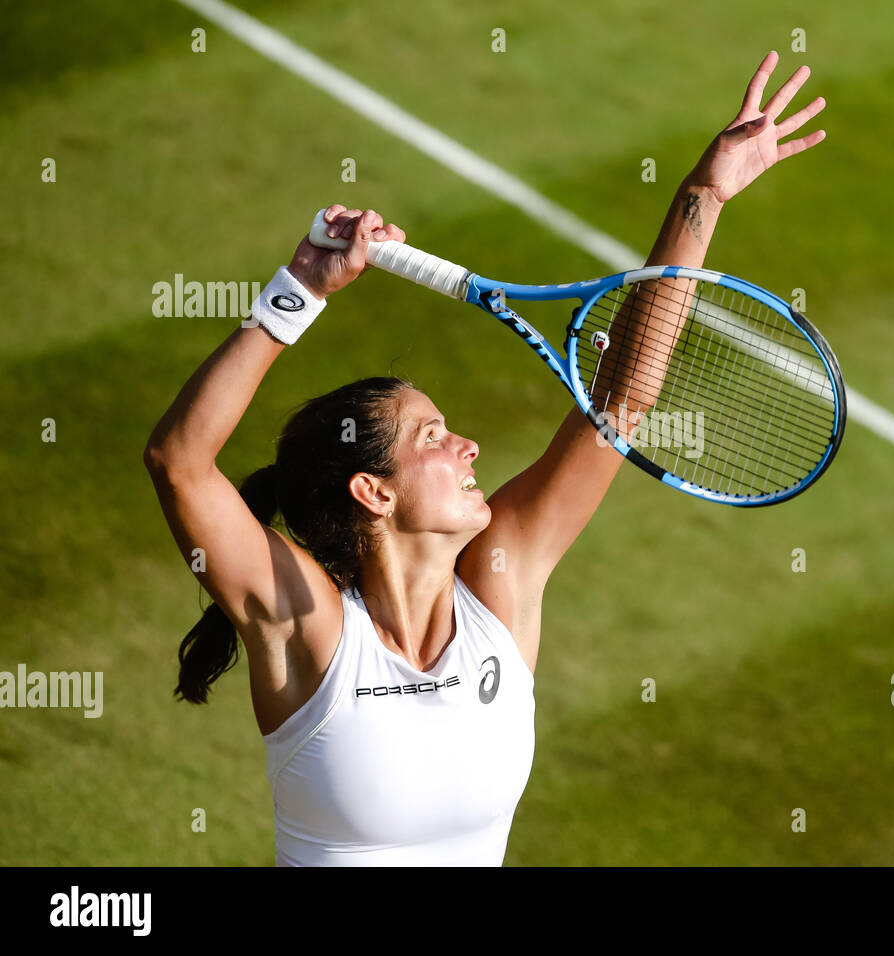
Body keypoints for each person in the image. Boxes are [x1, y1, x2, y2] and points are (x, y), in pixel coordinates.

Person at [143, 51, 825, 866]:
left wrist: (703, 195)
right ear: (373, 490)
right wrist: (300, 290)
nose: (468, 445)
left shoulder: (501, 586)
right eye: (431, 437)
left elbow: (622, 401)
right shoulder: (309, 627)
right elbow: (180, 462)